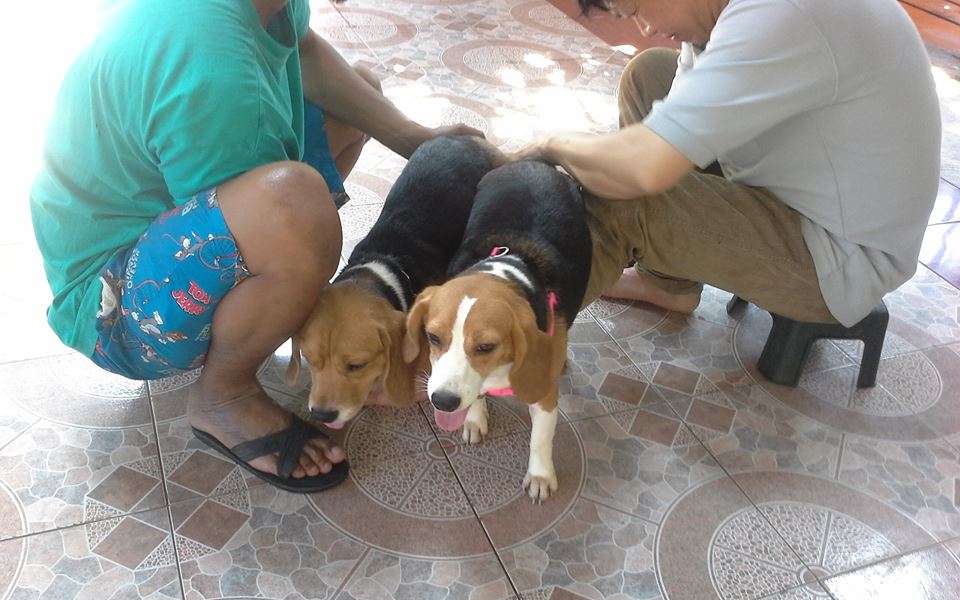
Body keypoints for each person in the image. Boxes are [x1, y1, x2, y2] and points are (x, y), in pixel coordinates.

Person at [29, 0, 482, 493]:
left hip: (154, 232)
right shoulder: (208, 57)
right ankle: (223, 396)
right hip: (112, 310)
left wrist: (414, 138)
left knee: (358, 97)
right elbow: (272, 210)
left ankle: (275, 289)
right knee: (293, 207)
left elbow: (302, 48)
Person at [517, 0, 941, 325]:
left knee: (625, 200)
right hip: (802, 190)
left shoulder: (783, 13)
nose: (644, 27)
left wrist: (553, 144)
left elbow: (644, 168)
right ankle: (668, 283)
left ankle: (511, 348)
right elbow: (665, 133)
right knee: (649, 77)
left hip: (840, 260)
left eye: (637, 8)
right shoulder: (727, 14)